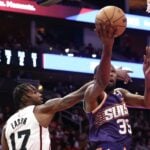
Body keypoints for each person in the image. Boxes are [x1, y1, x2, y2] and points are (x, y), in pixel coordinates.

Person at [83, 22, 150, 150]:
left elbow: (147, 103)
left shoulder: (121, 93)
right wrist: (108, 45)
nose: (111, 74)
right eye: (107, 72)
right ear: (95, 78)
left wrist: (147, 78)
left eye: (113, 72)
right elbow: (101, 81)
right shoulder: (92, 95)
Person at [1, 80, 94, 150]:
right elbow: (72, 98)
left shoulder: (7, 126)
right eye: (34, 92)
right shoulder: (38, 110)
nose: (39, 94)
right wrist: (98, 80)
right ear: (25, 97)